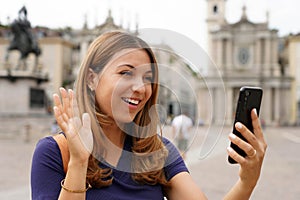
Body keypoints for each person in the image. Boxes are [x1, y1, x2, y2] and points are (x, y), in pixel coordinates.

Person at [31, 31, 267, 199]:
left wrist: (247, 181)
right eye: (126, 73)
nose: (141, 88)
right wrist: (79, 163)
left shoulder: (157, 152)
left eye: (147, 78)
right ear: (92, 79)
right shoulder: (53, 153)